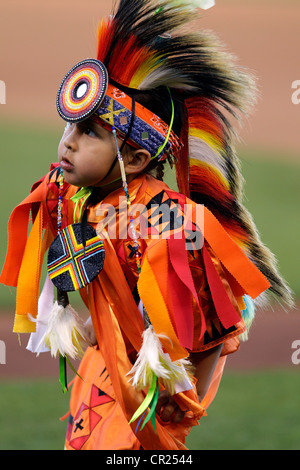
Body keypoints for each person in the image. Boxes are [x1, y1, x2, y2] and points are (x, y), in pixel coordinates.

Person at [0, 0, 293, 451]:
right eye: (70, 126)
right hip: (107, 371)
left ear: (135, 159)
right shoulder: (71, 197)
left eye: (91, 133)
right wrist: (97, 327)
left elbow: (218, 323)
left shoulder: (169, 227)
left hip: (157, 388)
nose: (68, 143)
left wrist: (185, 405)